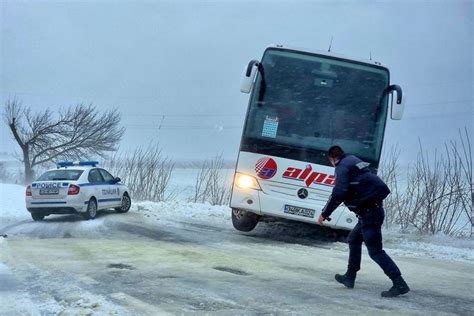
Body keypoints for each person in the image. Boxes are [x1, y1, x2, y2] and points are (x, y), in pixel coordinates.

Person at [318, 145, 410, 298]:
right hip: (370, 211)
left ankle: (399, 283)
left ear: (332, 159)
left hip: (370, 213)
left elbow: (339, 192)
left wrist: (325, 213)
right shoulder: (352, 160)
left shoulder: (342, 166)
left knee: (375, 251)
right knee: (353, 239)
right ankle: (350, 276)